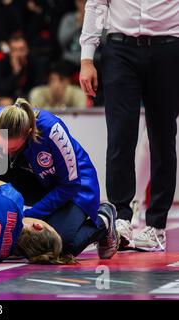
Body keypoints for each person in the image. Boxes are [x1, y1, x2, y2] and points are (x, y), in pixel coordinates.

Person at [0, 98, 119, 259]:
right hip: (34, 178)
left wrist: (30, 214)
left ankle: (103, 220)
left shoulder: (52, 130)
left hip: (75, 187)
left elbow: (70, 184)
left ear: (28, 133)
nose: (6, 152)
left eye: (13, 148)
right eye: (0, 145)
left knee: (56, 247)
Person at [79, 1, 179, 251]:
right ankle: (121, 218)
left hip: (169, 47)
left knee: (163, 137)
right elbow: (96, 4)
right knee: (120, 137)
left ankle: (156, 225)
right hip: (120, 49)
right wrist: (86, 58)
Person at [0, 33, 45, 106]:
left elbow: (38, 89)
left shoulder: (35, 63)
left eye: (21, 50)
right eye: (14, 50)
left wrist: (18, 100)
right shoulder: (2, 63)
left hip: (29, 100)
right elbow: (1, 90)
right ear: (10, 52)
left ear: (27, 50)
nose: (18, 54)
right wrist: (16, 72)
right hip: (10, 101)